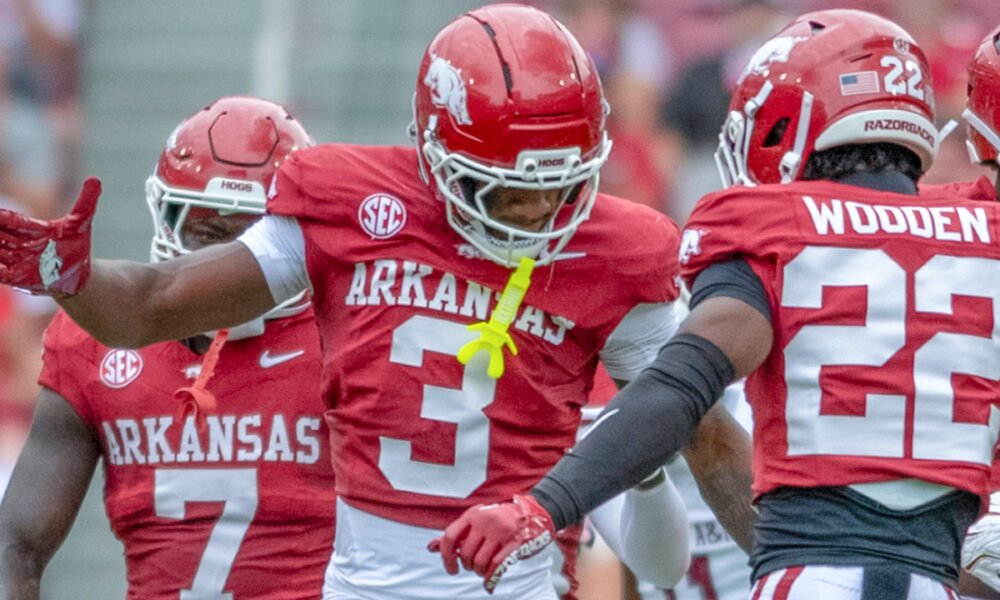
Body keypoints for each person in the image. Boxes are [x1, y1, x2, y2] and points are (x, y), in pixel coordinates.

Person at [0, 5, 752, 599]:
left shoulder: (619, 251)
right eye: (508, 189)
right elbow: (159, 300)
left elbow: (706, 441)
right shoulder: (349, 205)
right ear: (431, 152)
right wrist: (72, 276)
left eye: (558, 185)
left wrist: (794, 565)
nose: (536, 212)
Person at [431, 9, 1000, 599]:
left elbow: (682, 386)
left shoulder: (773, 229)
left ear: (791, 124)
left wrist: (542, 507)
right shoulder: (986, 239)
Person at [0, 96, 338, 599]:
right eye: (207, 233)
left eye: (251, 241)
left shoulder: (346, 337)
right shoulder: (90, 341)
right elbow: (16, 545)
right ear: (165, 215)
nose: (225, 265)